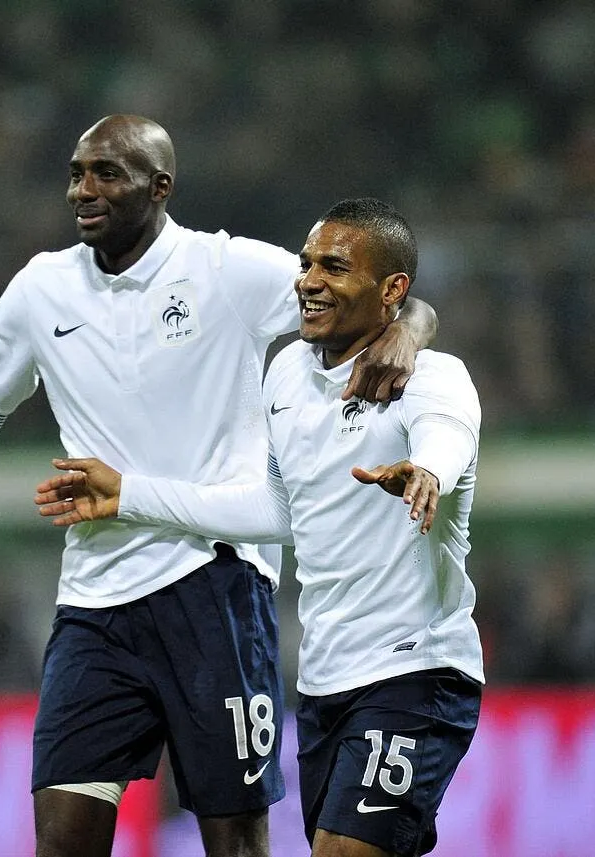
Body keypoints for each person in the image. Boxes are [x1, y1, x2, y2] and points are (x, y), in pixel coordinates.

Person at [0, 118, 439, 857]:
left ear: (159, 187)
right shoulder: (43, 288)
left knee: (234, 843)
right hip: (95, 606)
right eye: (76, 173)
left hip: (216, 588)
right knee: (64, 840)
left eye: (107, 173)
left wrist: (408, 330)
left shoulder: (223, 270)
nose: (83, 190)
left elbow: (372, 301)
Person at [35, 198, 482, 857]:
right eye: (306, 264)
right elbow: (275, 513)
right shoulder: (286, 377)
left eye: (334, 266)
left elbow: (449, 435)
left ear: (391, 290)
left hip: (419, 671)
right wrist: (129, 493)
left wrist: (427, 472)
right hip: (327, 683)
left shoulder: (433, 377)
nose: (308, 280)